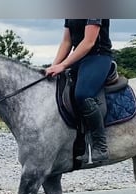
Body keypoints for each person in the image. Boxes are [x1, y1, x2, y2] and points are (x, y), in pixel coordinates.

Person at [45, 19, 113, 164]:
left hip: (98, 56)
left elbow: (89, 42)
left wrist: (63, 65)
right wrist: (54, 66)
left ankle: (100, 146)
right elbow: (66, 42)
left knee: (83, 94)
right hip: (78, 58)